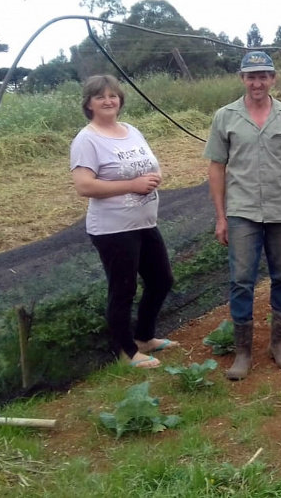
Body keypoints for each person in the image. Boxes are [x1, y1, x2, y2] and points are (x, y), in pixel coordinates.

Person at [204, 51, 281, 380]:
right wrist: (221, 217)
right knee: (241, 281)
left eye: (264, 76)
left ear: (273, 78)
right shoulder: (225, 117)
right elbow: (216, 168)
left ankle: (278, 345)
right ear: (242, 79)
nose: (257, 82)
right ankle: (243, 352)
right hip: (243, 212)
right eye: (251, 76)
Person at [70, 75, 177, 369]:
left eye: (113, 96)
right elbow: (84, 186)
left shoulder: (131, 131)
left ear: (120, 100)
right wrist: (133, 185)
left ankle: (144, 337)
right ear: (89, 104)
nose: (108, 101)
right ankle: (126, 351)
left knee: (161, 280)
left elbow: (147, 166)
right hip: (113, 229)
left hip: (143, 221)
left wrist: (154, 178)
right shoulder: (87, 139)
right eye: (100, 97)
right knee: (123, 289)